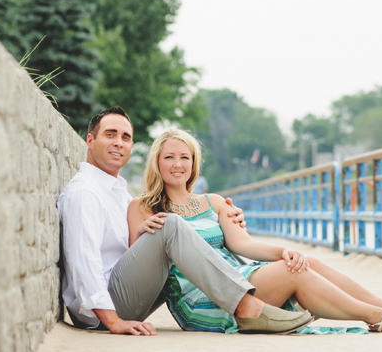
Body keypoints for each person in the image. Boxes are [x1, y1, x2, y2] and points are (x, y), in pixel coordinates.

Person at [127, 129, 382, 334]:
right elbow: (139, 265)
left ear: (194, 164)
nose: (177, 164)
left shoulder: (214, 202)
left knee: (303, 262)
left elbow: (244, 245)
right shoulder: (144, 206)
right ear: (157, 162)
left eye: (185, 157)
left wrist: (284, 252)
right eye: (169, 157)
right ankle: (377, 317)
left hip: (239, 276)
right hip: (200, 299)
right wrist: (142, 230)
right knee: (295, 274)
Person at [58, 107, 309, 336]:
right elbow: (83, 261)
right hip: (103, 310)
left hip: (125, 292)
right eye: (110, 135)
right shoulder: (85, 193)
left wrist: (226, 217)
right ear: (90, 140)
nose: (119, 143)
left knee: (167, 226)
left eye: (125, 137)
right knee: (171, 224)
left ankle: (276, 300)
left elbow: (128, 246)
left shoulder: (117, 191)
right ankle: (245, 306)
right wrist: (112, 321)